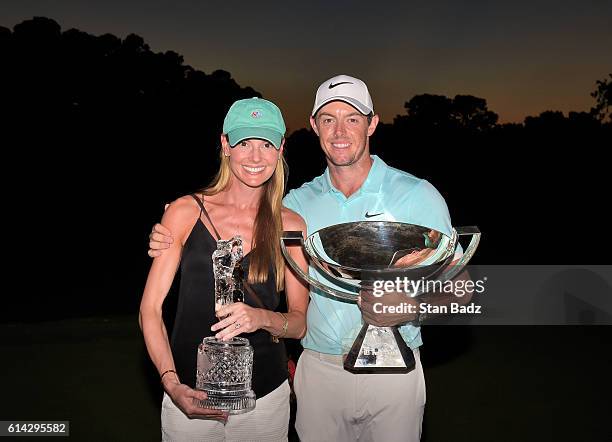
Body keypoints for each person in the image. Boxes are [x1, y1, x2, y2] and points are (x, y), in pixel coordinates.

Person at [148, 75, 458, 442]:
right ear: (314, 127)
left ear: (372, 123)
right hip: (319, 374)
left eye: (353, 118)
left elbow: (464, 289)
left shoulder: (418, 195)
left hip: (392, 372)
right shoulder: (296, 206)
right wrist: (174, 223)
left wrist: (411, 306)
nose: (339, 131)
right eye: (328, 119)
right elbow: (239, 214)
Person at [139, 97, 309, 442]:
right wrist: (172, 384)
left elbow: (299, 322)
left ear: (280, 149)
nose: (255, 157)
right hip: (190, 395)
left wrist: (260, 318)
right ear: (225, 145)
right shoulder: (186, 211)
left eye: (266, 144)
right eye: (244, 142)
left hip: (264, 400)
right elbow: (150, 310)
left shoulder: (291, 226)